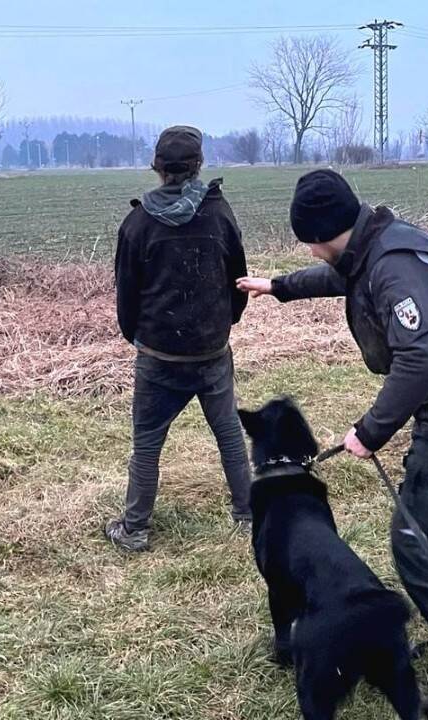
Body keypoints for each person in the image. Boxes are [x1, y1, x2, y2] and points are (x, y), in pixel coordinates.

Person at [237, 169, 428, 717]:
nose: (308, 248)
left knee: (416, 535)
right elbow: (340, 279)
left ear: (321, 232)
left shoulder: (394, 265)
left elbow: (424, 357)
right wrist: (277, 286)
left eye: (307, 239)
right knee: (427, 526)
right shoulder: (370, 250)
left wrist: (370, 431)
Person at [105, 125, 252, 552]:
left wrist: (138, 338)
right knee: (228, 434)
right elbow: (238, 280)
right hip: (210, 351)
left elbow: (126, 295)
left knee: (147, 444)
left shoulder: (136, 224)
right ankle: (247, 515)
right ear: (198, 166)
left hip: (158, 355)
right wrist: (225, 326)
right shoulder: (220, 214)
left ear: (157, 168)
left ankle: (134, 529)